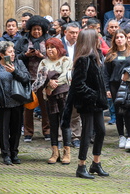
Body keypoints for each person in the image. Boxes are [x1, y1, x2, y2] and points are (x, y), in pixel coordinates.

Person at [67, 28, 109, 179]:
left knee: (102, 131)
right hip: (87, 103)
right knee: (87, 133)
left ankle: (95, 164)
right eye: (96, 38)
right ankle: (81, 166)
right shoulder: (83, 59)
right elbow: (78, 84)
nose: (99, 40)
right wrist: (94, 95)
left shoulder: (95, 56)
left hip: (96, 103)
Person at [32, 38, 72, 165]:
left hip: (64, 95)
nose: (49, 50)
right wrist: (47, 84)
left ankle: (67, 152)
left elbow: (67, 76)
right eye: (47, 47)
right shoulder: (43, 62)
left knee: (65, 123)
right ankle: (55, 152)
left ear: (59, 48)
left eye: (52, 47)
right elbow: (39, 79)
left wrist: (52, 84)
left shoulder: (66, 60)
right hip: (49, 98)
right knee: (53, 124)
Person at [0, 41, 30, 165]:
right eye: (10, 52)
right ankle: (6, 154)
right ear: (2, 54)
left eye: (13, 51)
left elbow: (26, 78)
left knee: (16, 129)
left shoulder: (19, 63)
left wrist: (14, 72)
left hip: (17, 101)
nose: (13, 54)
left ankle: (14, 152)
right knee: (4, 130)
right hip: (2, 102)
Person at [103, 29, 130, 151]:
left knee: (129, 111)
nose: (119, 39)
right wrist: (107, 89)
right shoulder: (110, 55)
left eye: (121, 37)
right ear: (114, 40)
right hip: (115, 86)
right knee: (118, 112)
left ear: (126, 38)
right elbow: (105, 73)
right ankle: (121, 136)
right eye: (117, 37)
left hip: (129, 86)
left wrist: (129, 76)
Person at [15, 15, 51, 142]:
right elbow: (15, 57)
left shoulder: (48, 40)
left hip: (43, 78)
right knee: (28, 106)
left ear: (43, 30)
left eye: (39, 29)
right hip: (27, 77)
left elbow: (53, 58)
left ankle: (47, 131)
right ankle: (28, 132)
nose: (36, 32)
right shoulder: (23, 41)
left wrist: (41, 56)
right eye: (34, 29)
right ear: (30, 29)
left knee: (45, 105)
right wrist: (25, 55)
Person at [61, 22, 81, 149]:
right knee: (61, 110)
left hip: (76, 82)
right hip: (61, 82)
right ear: (65, 33)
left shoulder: (81, 44)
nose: (74, 35)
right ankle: (60, 137)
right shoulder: (58, 44)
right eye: (71, 33)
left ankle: (75, 136)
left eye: (76, 33)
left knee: (75, 111)